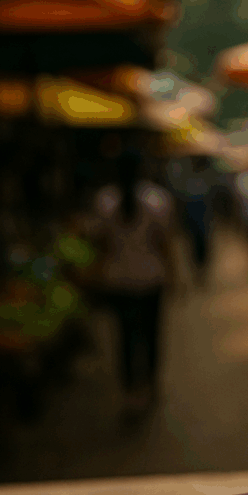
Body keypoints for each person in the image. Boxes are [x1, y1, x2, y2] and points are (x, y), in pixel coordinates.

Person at [91, 148, 174, 415]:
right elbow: (164, 244)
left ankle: (130, 391)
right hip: (151, 279)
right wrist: (174, 275)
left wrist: (97, 273)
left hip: (118, 281)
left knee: (125, 338)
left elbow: (102, 245)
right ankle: (149, 385)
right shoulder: (157, 199)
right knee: (151, 335)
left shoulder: (105, 200)